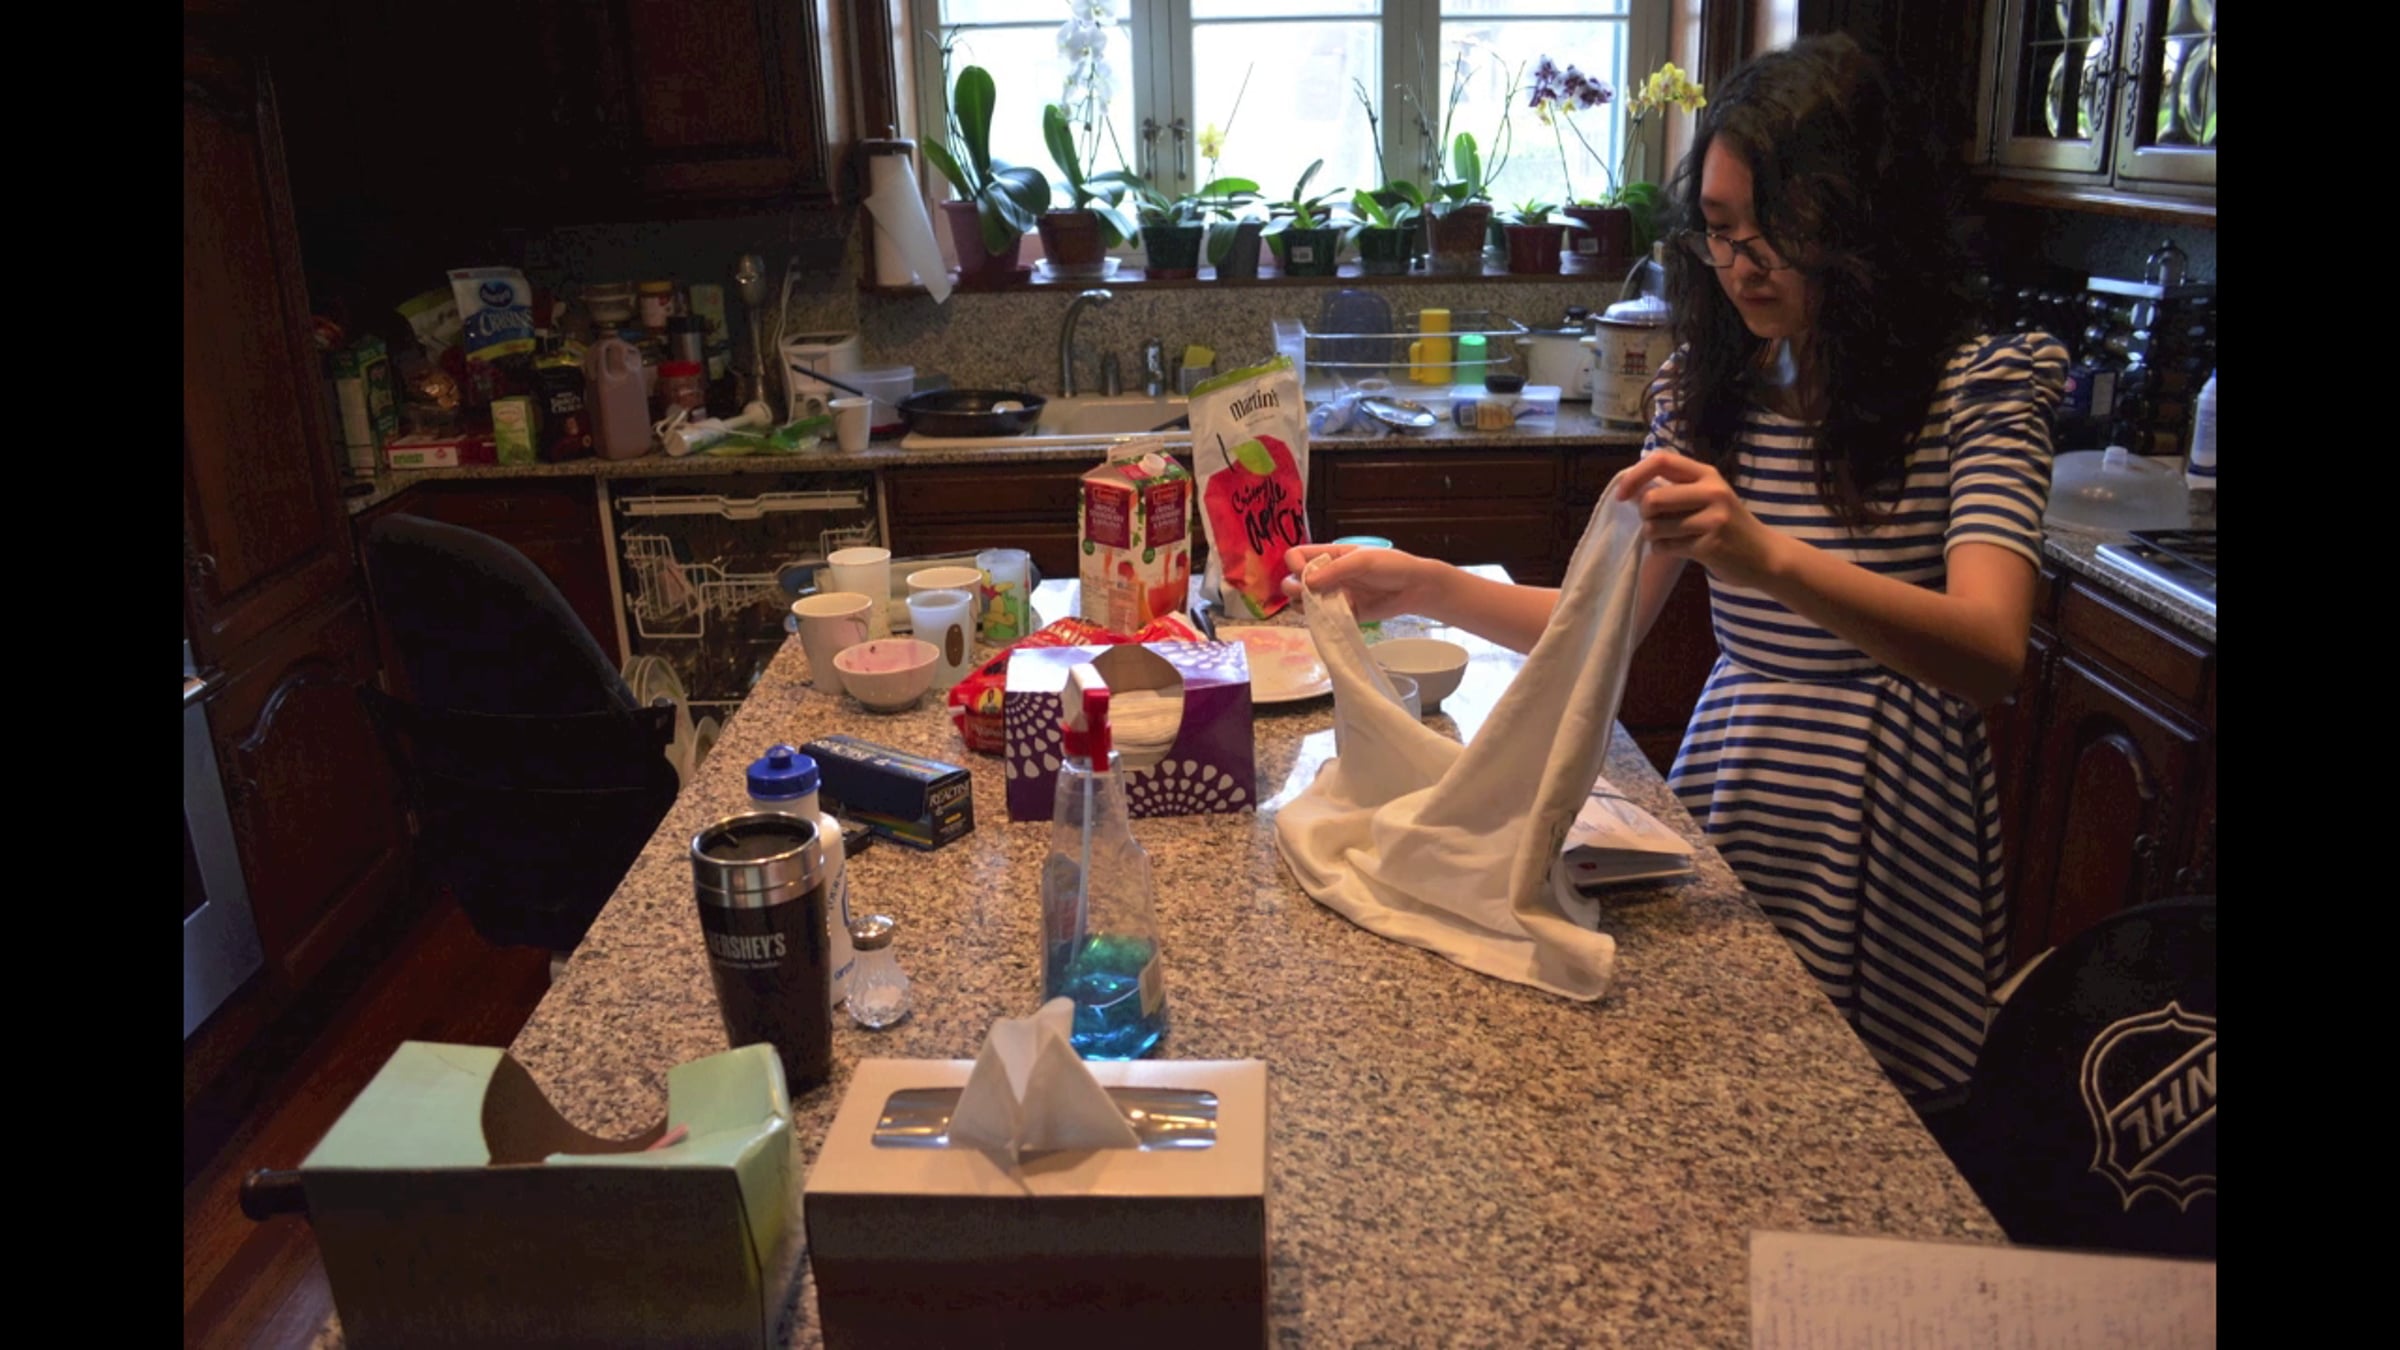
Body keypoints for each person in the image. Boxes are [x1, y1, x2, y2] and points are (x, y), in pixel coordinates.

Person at [1284, 34, 2068, 1105]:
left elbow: (1990, 651)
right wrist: (1426, 584)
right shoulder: (1707, 393)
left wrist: (1766, 555)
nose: (1741, 266)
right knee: (1712, 1083)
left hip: (1894, 808)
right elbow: (1593, 620)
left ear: (1865, 225)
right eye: (1719, 230)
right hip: (1738, 773)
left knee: (1875, 1113)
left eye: (1775, 233)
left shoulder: (1980, 391)